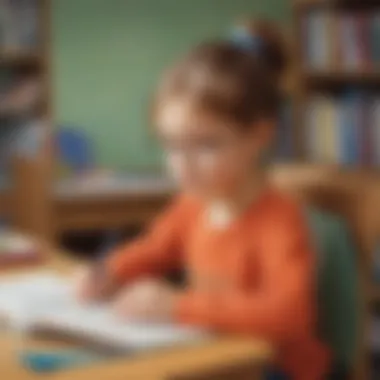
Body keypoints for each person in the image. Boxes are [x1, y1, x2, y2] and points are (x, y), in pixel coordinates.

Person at [75, 18, 330, 380]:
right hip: (217, 352)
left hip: (275, 367)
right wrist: (109, 271)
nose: (182, 166)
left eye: (206, 145)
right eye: (171, 145)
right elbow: (155, 248)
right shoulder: (193, 203)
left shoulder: (279, 218)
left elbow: (289, 315)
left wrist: (178, 306)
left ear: (259, 135)